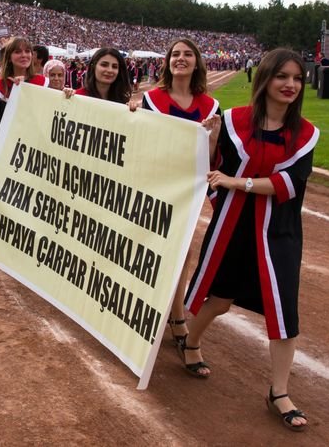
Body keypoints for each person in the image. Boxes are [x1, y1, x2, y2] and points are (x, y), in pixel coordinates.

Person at [183, 49, 317, 432]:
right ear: (265, 79)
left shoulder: (306, 134)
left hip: (279, 232)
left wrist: (236, 182)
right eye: (282, 77)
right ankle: (190, 341)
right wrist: (209, 141)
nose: (290, 85)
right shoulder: (232, 121)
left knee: (283, 310)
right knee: (221, 299)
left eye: (296, 79)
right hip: (235, 226)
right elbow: (210, 168)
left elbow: (288, 184)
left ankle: (279, 392)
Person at [131, 38, 221, 348]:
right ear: (167, 62)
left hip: (189, 190)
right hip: (157, 184)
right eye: (175, 55)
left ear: (197, 62)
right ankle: (153, 307)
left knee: (182, 250)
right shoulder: (153, 98)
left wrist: (213, 137)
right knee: (153, 247)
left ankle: (175, 313)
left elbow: (210, 156)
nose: (180, 59)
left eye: (187, 54)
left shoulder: (210, 106)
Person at [0, 37, 47, 180]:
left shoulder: (43, 83)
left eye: (28, 51)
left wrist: (68, 93)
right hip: (5, 151)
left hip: (35, 152)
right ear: (9, 56)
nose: (24, 55)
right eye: (18, 52)